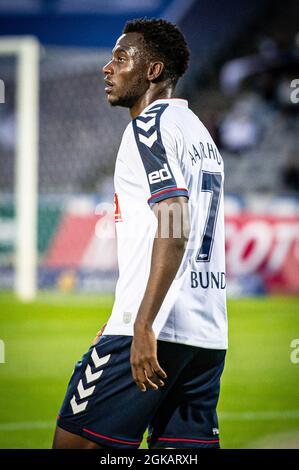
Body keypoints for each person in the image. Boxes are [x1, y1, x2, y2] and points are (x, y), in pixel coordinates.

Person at [53, 18, 228, 450]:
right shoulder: (199, 133)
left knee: (76, 445)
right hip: (205, 336)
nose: (106, 68)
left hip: (152, 328)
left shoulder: (148, 128)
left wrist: (143, 322)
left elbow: (173, 218)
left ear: (152, 71)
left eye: (121, 57)